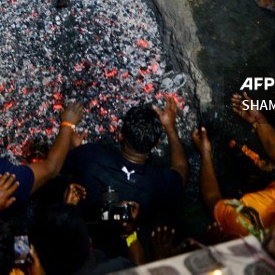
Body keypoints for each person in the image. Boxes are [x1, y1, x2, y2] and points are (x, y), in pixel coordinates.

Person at [62, 100, 187, 233]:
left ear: (120, 136)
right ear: (156, 143)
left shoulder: (90, 156)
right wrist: (170, 127)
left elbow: (61, 165)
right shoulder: (157, 184)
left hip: (82, 228)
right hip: (118, 240)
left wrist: (73, 148)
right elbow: (181, 169)